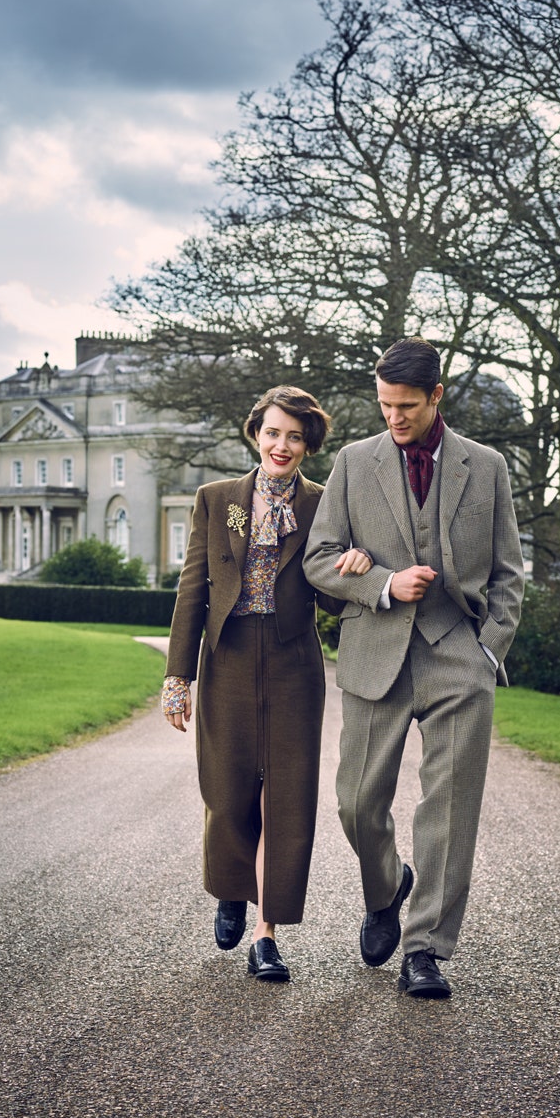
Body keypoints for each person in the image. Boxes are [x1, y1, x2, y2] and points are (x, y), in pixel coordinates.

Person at [303, 337, 524, 1000]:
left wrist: (490, 650)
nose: (393, 419)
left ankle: (425, 949)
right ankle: (385, 888)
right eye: (383, 405)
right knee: (356, 802)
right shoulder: (352, 462)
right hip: (376, 650)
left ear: (436, 396)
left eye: (405, 406)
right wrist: (382, 582)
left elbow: (510, 571)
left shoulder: (485, 467)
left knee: (450, 811)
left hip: (460, 653)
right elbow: (319, 557)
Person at [162, 385, 367, 984]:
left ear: (309, 444)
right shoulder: (215, 498)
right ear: (256, 433)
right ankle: (231, 887)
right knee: (227, 790)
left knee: (286, 801)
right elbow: (192, 590)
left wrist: (351, 569)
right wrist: (179, 676)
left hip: (293, 664)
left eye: (295, 436)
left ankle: (267, 935)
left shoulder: (325, 503)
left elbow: (329, 597)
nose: (283, 445)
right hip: (225, 656)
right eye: (274, 432)